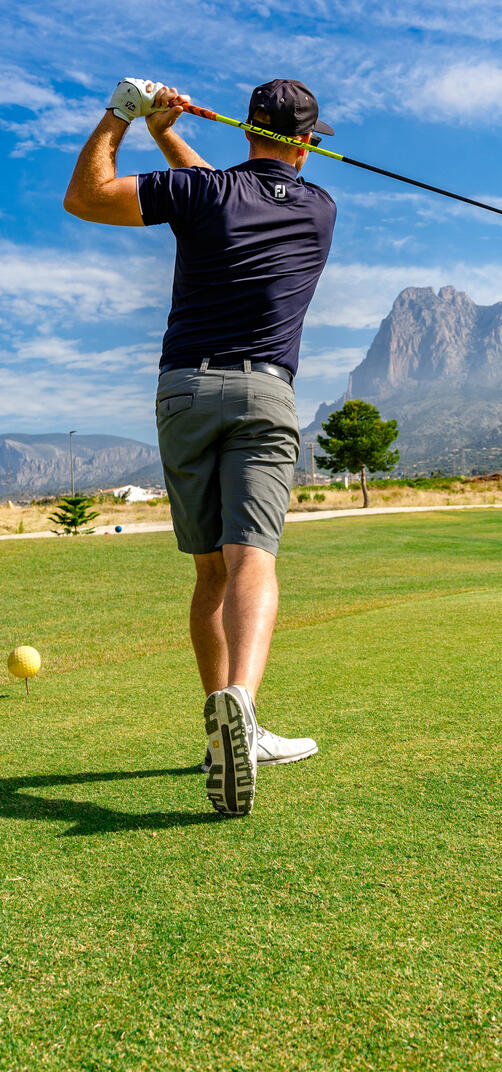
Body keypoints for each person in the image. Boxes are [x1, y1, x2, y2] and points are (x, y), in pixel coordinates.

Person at [64, 76, 337, 816]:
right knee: (255, 558)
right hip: (263, 392)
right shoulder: (319, 208)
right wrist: (164, 132)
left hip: (183, 389)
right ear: (309, 141)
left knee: (210, 572)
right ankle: (241, 711)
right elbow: (221, 189)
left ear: (246, 128)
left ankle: (224, 729)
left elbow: (87, 197)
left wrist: (126, 118)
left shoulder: (205, 196)